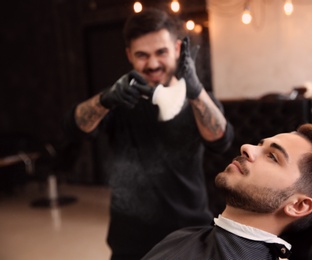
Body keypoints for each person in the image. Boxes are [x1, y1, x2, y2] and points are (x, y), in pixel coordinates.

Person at [63, 8, 234, 260]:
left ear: (177, 49)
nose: (152, 64)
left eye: (161, 52)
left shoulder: (198, 100)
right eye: (142, 55)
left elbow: (222, 140)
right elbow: (73, 128)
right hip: (130, 239)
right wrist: (105, 99)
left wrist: (196, 92)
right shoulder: (116, 100)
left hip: (190, 233)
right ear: (129, 55)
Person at [142, 123, 312, 260]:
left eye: (273, 157)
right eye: (260, 144)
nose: (247, 148)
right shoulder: (186, 236)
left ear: (298, 205)